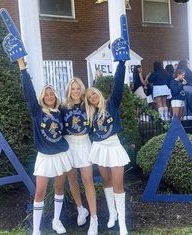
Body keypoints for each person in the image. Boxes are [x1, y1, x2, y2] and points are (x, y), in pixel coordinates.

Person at [17, 58, 72, 235]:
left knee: (59, 189)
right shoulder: (37, 111)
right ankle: (37, 228)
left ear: (55, 96)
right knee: (39, 191)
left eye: (52, 94)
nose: (49, 96)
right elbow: (28, 90)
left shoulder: (61, 112)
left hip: (61, 155)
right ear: (42, 97)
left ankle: (57, 221)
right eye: (46, 94)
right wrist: (22, 66)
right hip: (44, 157)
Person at [85, 61, 130, 235]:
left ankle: (123, 223)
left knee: (118, 183)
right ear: (88, 101)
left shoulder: (112, 104)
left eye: (94, 94)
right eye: (89, 97)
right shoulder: (90, 114)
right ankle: (112, 215)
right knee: (106, 180)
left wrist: (121, 64)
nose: (93, 97)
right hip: (99, 147)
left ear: (99, 94)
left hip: (114, 146)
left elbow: (118, 84)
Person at [60, 77, 98, 235]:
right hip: (69, 144)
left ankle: (94, 218)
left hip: (84, 143)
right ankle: (81, 209)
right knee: (72, 178)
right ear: (69, 90)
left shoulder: (87, 104)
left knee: (88, 180)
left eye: (78, 88)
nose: (75, 91)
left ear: (82, 89)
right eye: (72, 88)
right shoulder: (63, 107)